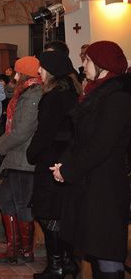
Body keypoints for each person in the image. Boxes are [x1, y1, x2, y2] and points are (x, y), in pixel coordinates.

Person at [51, 41, 131, 279]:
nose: (82, 64)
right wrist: (64, 164)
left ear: (102, 65)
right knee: (95, 249)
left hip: (106, 184)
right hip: (91, 180)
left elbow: (101, 145)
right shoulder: (97, 93)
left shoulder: (118, 98)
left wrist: (69, 170)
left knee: (106, 249)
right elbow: (80, 137)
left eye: (87, 60)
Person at [27, 51, 80, 279]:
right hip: (64, 158)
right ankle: (67, 263)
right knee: (58, 213)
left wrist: (32, 152)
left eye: (42, 67)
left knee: (49, 214)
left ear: (51, 70)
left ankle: (56, 267)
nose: (39, 71)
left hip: (51, 161)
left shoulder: (54, 96)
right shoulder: (70, 92)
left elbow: (45, 131)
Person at [0, 56, 43, 265]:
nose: (13, 75)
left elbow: (21, 131)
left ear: (24, 74)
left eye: (17, 72)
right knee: (5, 200)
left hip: (24, 158)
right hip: (15, 156)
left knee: (22, 204)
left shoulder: (34, 95)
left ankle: (25, 251)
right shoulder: (25, 93)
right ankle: (13, 248)